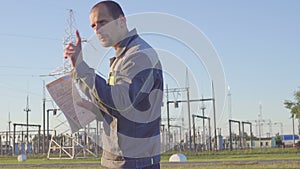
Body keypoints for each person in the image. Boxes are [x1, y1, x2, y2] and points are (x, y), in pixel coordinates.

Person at [64, 1, 163, 169]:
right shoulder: (123, 58)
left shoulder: (138, 56)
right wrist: (95, 110)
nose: (97, 29)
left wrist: (80, 67)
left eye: (102, 22)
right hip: (124, 160)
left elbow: (120, 102)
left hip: (133, 162)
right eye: (93, 25)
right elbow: (128, 111)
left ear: (121, 21)